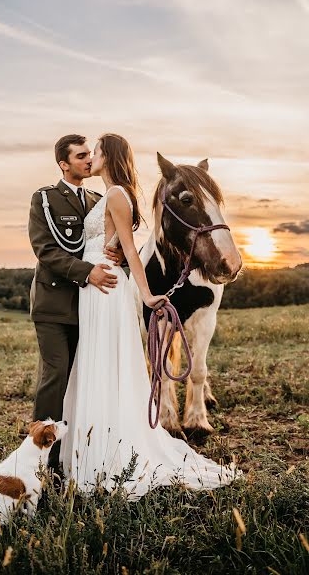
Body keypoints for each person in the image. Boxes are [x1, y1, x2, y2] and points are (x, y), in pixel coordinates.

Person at [60, 133, 240, 497]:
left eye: (94, 152)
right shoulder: (104, 194)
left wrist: (143, 292)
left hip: (105, 286)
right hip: (95, 284)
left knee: (103, 360)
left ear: (107, 156)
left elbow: (125, 244)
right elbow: (124, 247)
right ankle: (100, 435)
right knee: (97, 361)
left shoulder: (115, 194)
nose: (89, 157)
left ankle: (117, 439)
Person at [28, 134, 124, 471]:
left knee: (84, 380)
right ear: (64, 164)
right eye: (80, 156)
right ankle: (41, 460)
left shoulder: (100, 199)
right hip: (55, 305)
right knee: (55, 377)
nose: (88, 160)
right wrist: (88, 273)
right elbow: (46, 250)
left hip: (91, 307)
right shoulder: (45, 199)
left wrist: (119, 254)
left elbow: (111, 243)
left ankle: (78, 456)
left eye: (90, 154)